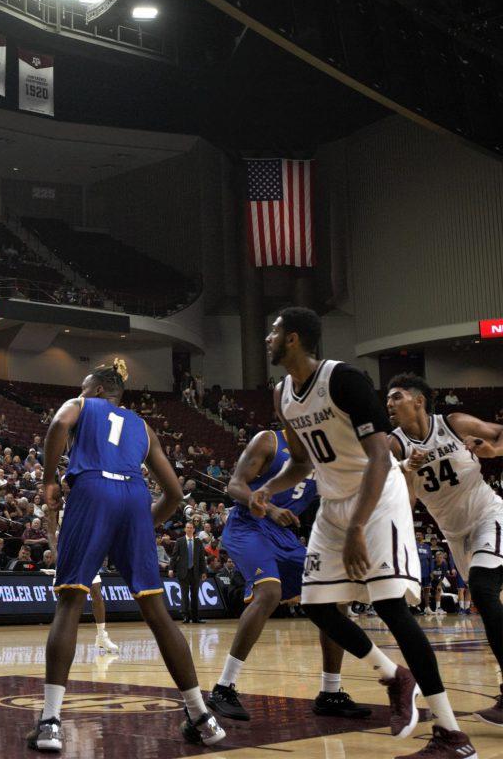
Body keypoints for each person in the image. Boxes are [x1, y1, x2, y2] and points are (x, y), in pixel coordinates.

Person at [257, 307, 473, 757]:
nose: (268, 339)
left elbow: (379, 456)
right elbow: (300, 462)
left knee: (390, 605)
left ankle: (452, 734)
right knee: (317, 606)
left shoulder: (343, 379)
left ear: (294, 339)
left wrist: (358, 525)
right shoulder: (281, 394)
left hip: (377, 498)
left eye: (274, 332)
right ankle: (394, 676)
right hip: (334, 502)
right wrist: (266, 489)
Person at [29, 364, 225, 753]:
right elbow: (173, 494)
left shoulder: (82, 405)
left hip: (92, 489)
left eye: (84, 386)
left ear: (98, 389)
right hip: (135, 496)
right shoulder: (142, 426)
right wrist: (138, 523)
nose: (79, 390)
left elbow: (57, 426)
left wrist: (50, 479)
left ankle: (50, 722)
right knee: (156, 610)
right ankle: (202, 716)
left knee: (70, 601)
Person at [207, 429, 369, 722]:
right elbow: (234, 485)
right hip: (248, 526)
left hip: (284, 535)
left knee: (335, 594)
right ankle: (223, 688)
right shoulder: (269, 440)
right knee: (269, 593)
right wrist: (268, 509)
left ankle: (330, 692)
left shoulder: (326, 456)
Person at [386, 372, 503, 725]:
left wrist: (492, 450)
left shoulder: (453, 423)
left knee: (482, 588)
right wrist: (407, 472)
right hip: (454, 535)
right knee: (485, 601)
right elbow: (404, 507)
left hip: (489, 515)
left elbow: (499, 436)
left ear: (418, 400)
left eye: (396, 397)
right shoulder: (395, 446)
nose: (389, 404)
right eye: (388, 400)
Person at [172, 523, 207, 623]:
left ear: (194, 530)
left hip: (195, 572)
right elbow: (174, 556)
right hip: (183, 571)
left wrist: (203, 571)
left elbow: (201, 558)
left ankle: (195, 618)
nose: (189, 529)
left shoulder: (198, 542)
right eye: (187, 527)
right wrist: (171, 569)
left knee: (195, 595)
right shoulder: (180, 541)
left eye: (191, 528)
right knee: (184, 594)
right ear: (184, 529)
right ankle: (186, 616)